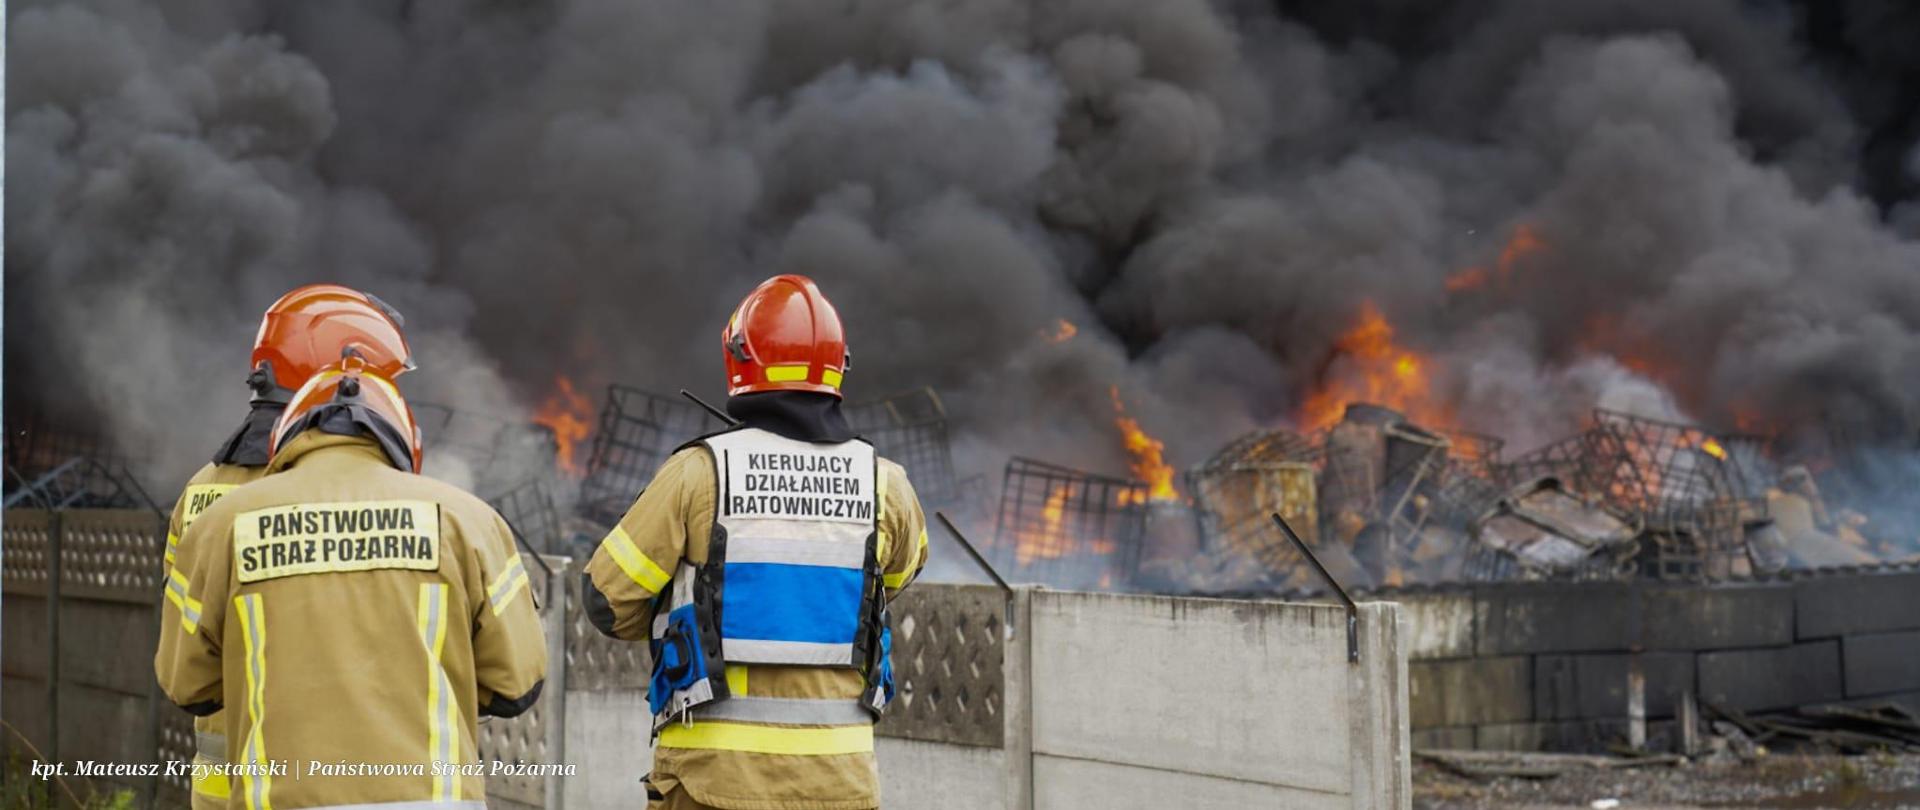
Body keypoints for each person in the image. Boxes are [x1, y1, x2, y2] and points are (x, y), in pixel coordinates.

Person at [584, 274, 929, 810]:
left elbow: (607, 603)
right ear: (838, 368)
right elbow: (891, 583)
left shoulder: (698, 474)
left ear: (740, 358)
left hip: (711, 784)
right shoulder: (886, 483)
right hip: (841, 786)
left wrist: (691, 606)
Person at [155, 357, 547, 810]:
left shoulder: (220, 525)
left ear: (287, 438)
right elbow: (517, 686)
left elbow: (185, 684)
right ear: (402, 440)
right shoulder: (468, 520)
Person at [160, 284, 416, 810]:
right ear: (340, 373)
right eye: (376, 383)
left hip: (223, 784)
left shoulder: (202, 487)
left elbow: (184, 651)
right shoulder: (344, 485)